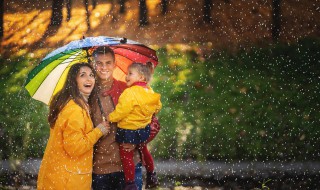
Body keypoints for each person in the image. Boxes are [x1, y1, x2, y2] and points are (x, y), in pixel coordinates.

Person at [37, 63, 110, 190]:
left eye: (92, 75)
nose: (89, 79)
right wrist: (99, 131)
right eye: (83, 75)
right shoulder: (75, 110)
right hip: (67, 181)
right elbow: (75, 148)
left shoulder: (75, 105)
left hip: (61, 176)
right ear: (74, 80)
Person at [90, 46, 144, 190]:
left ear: (114, 64)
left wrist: (136, 140)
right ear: (93, 64)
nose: (104, 67)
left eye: (108, 63)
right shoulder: (87, 94)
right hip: (100, 169)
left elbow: (151, 123)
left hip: (129, 166)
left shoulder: (128, 90)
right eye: (99, 63)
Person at [108, 62, 162, 190]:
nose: (127, 76)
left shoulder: (129, 92)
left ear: (142, 77)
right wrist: (147, 113)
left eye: (130, 74)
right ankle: (151, 174)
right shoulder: (149, 91)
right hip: (144, 130)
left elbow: (122, 111)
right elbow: (158, 106)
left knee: (126, 155)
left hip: (129, 130)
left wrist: (110, 118)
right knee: (144, 149)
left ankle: (130, 183)